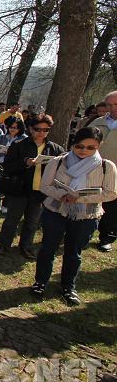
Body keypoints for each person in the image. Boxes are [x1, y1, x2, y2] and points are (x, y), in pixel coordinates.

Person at [32, 127, 117, 305]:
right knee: (48, 248)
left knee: (74, 252)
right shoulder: (58, 161)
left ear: (98, 146)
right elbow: (45, 186)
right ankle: (40, 282)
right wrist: (62, 195)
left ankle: (68, 287)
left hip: (86, 215)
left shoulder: (106, 166)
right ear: (73, 144)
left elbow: (110, 193)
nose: (84, 151)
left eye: (90, 148)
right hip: (56, 210)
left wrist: (81, 197)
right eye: (79, 146)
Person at [0, 115, 64, 258]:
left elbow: (62, 170)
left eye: (46, 130)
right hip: (20, 189)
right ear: (30, 129)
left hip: (40, 191)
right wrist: (25, 162)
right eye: (38, 129)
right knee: (12, 219)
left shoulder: (55, 149)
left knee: (32, 222)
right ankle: (3, 245)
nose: (41, 132)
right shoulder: (19, 145)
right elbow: (7, 167)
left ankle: (26, 247)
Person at [87, 91, 117, 251]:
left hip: (115, 173)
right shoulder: (98, 122)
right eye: (109, 105)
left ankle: (107, 237)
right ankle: (86, 233)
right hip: (94, 171)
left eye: (116, 105)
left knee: (112, 206)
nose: (112, 108)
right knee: (90, 201)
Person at [0, 116, 27, 214]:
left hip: (13, 165)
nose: (12, 129)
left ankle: (5, 205)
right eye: (11, 127)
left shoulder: (24, 139)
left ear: (20, 128)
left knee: (9, 185)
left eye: (15, 127)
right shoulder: (2, 137)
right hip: (0, 163)